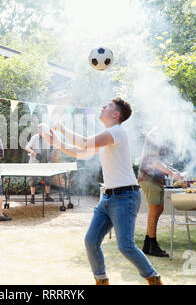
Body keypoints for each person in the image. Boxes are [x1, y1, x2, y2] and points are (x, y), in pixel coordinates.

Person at [43, 97, 163, 285]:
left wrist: (61, 129)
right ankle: (101, 280)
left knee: (126, 246)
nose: (102, 107)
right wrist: (56, 142)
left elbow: (83, 143)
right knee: (91, 241)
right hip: (108, 198)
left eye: (107, 106)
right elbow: (80, 152)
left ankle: (153, 278)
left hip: (125, 196)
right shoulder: (108, 135)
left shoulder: (117, 132)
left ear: (116, 114)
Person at [138, 125, 183, 257]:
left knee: (159, 208)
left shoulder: (162, 136)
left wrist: (171, 171)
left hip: (156, 179)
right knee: (154, 209)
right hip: (148, 178)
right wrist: (171, 174)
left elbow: (161, 161)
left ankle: (147, 244)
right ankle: (153, 245)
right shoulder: (155, 136)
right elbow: (154, 161)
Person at [25, 124, 54, 204]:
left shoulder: (48, 138)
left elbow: (52, 147)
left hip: (45, 162)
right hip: (35, 162)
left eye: (43, 130)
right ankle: (32, 198)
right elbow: (27, 147)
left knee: (47, 180)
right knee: (33, 180)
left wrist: (50, 155)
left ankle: (47, 196)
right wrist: (33, 153)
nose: (41, 131)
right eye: (40, 130)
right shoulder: (34, 138)